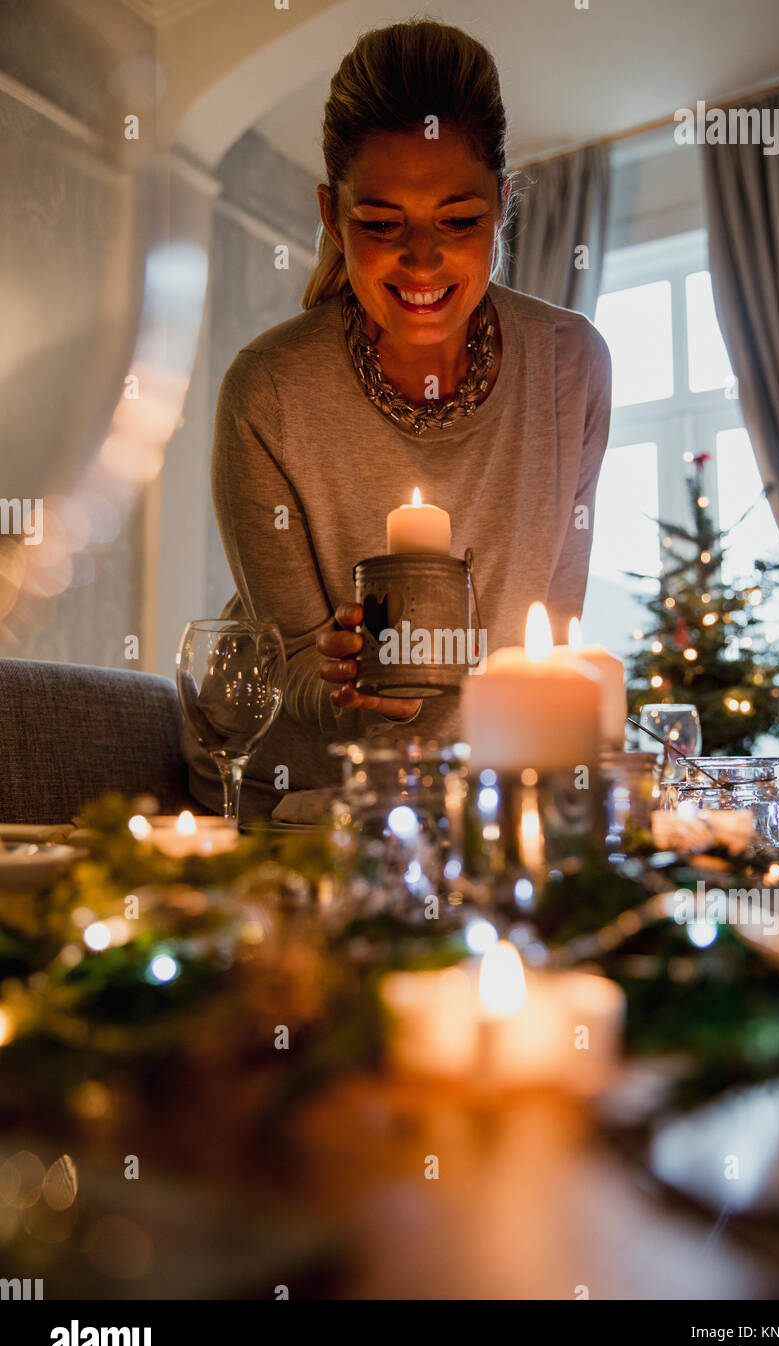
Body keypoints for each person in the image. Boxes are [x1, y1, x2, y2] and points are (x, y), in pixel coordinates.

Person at [182, 18, 611, 824]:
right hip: (297, 798)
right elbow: (298, 665)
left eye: (458, 220)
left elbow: (548, 634)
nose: (421, 262)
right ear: (331, 216)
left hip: (473, 801)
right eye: (381, 224)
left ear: (504, 206)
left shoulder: (569, 366)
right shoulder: (268, 389)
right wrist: (344, 675)